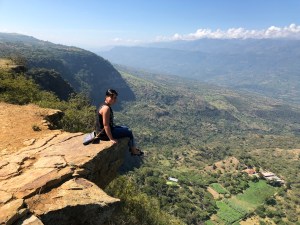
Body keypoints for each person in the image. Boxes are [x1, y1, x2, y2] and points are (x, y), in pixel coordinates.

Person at [96, 89, 144, 156]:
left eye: (115, 98)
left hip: (104, 131)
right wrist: (111, 139)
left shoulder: (103, 105)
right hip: (104, 135)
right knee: (129, 132)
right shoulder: (106, 108)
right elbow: (106, 125)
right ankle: (134, 150)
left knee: (126, 128)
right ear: (106, 97)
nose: (114, 100)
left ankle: (133, 148)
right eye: (111, 97)